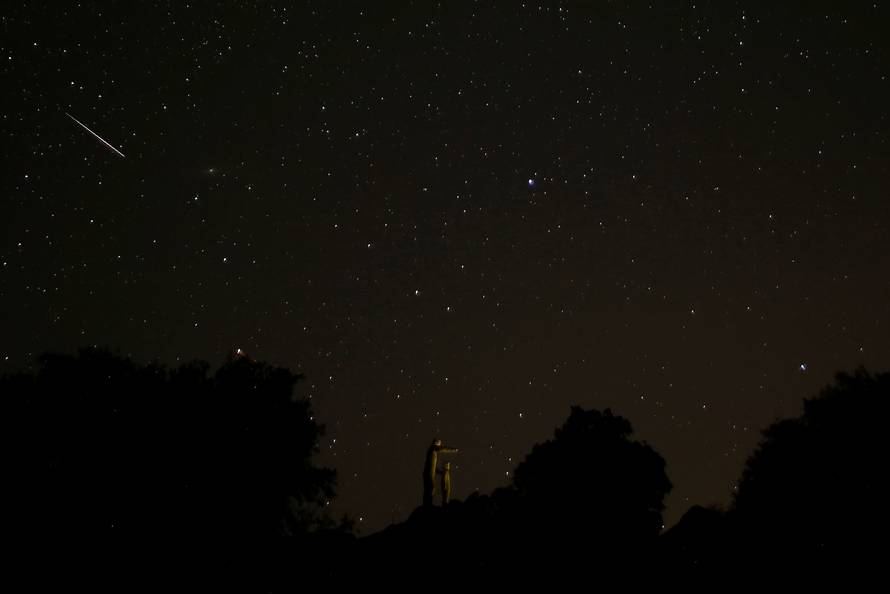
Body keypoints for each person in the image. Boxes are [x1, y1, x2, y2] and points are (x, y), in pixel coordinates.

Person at [422, 437, 459, 506]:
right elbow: (442, 448)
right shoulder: (433, 448)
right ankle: (427, 504)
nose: (440, 445)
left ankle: (427, 503)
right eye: (439, 443)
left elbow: (434, 467)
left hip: (429, 473)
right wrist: (453, 450)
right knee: (430, 487)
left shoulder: (433, 453)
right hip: (428, 474)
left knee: (430, 488)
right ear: (436, 443)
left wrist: (441, 472)